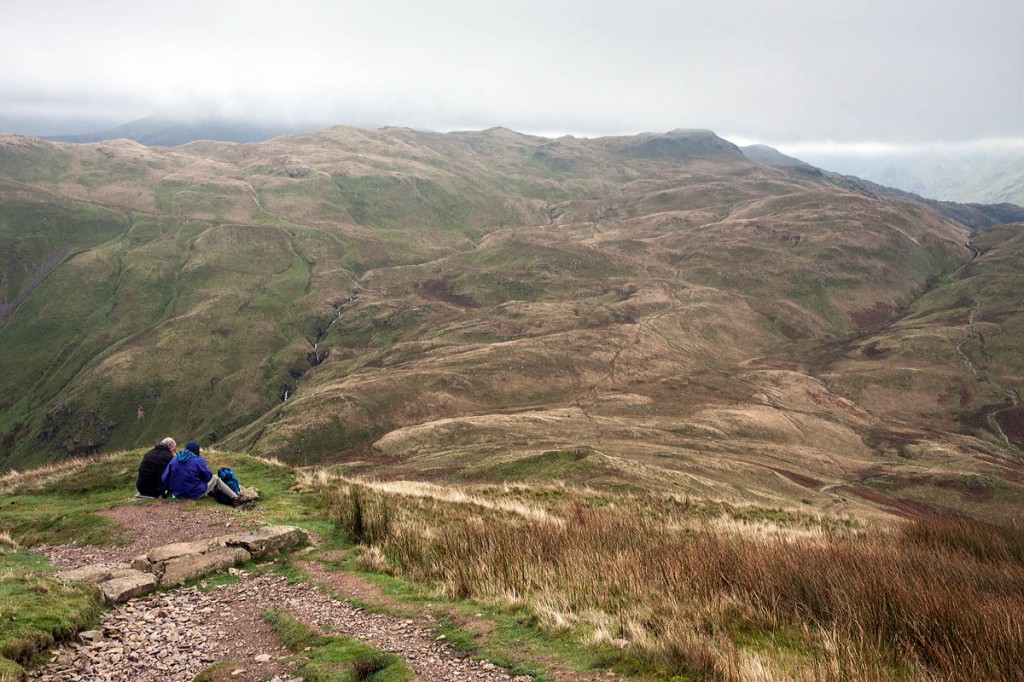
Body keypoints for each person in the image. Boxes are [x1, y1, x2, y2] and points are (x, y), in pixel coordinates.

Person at [161, 440, 254, 507]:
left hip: (177, 494)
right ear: (196, 450)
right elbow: (208, 476)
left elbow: (164, 478)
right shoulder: (198, 461)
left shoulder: (174, 460)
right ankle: (235, 498)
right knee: (215, 479)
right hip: (193, 494)